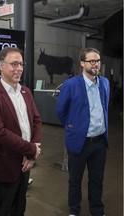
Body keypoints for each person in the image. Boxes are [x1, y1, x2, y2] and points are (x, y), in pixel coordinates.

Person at [0, 47, 42, 216]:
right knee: (1, 210)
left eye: (21, 64)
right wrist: (30, 150)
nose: (19, 69)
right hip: (4, 165)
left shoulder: (26, 92)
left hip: (25, 164)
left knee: (19, 209)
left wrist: (32, 152)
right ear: (1, 66)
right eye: (14, 64)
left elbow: (36, 121)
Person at [56, 47, 109, 216]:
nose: (96, 64)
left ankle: (97, 210)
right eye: (92, 61)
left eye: (98, 60)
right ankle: (74, 211)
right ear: (82, 63)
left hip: (100, 143)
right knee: (75, 180)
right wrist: (73, 127)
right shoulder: (71, 84)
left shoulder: (105, 83)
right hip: (79, 143)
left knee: (96, 181)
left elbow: (105, 107)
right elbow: (61, 110)